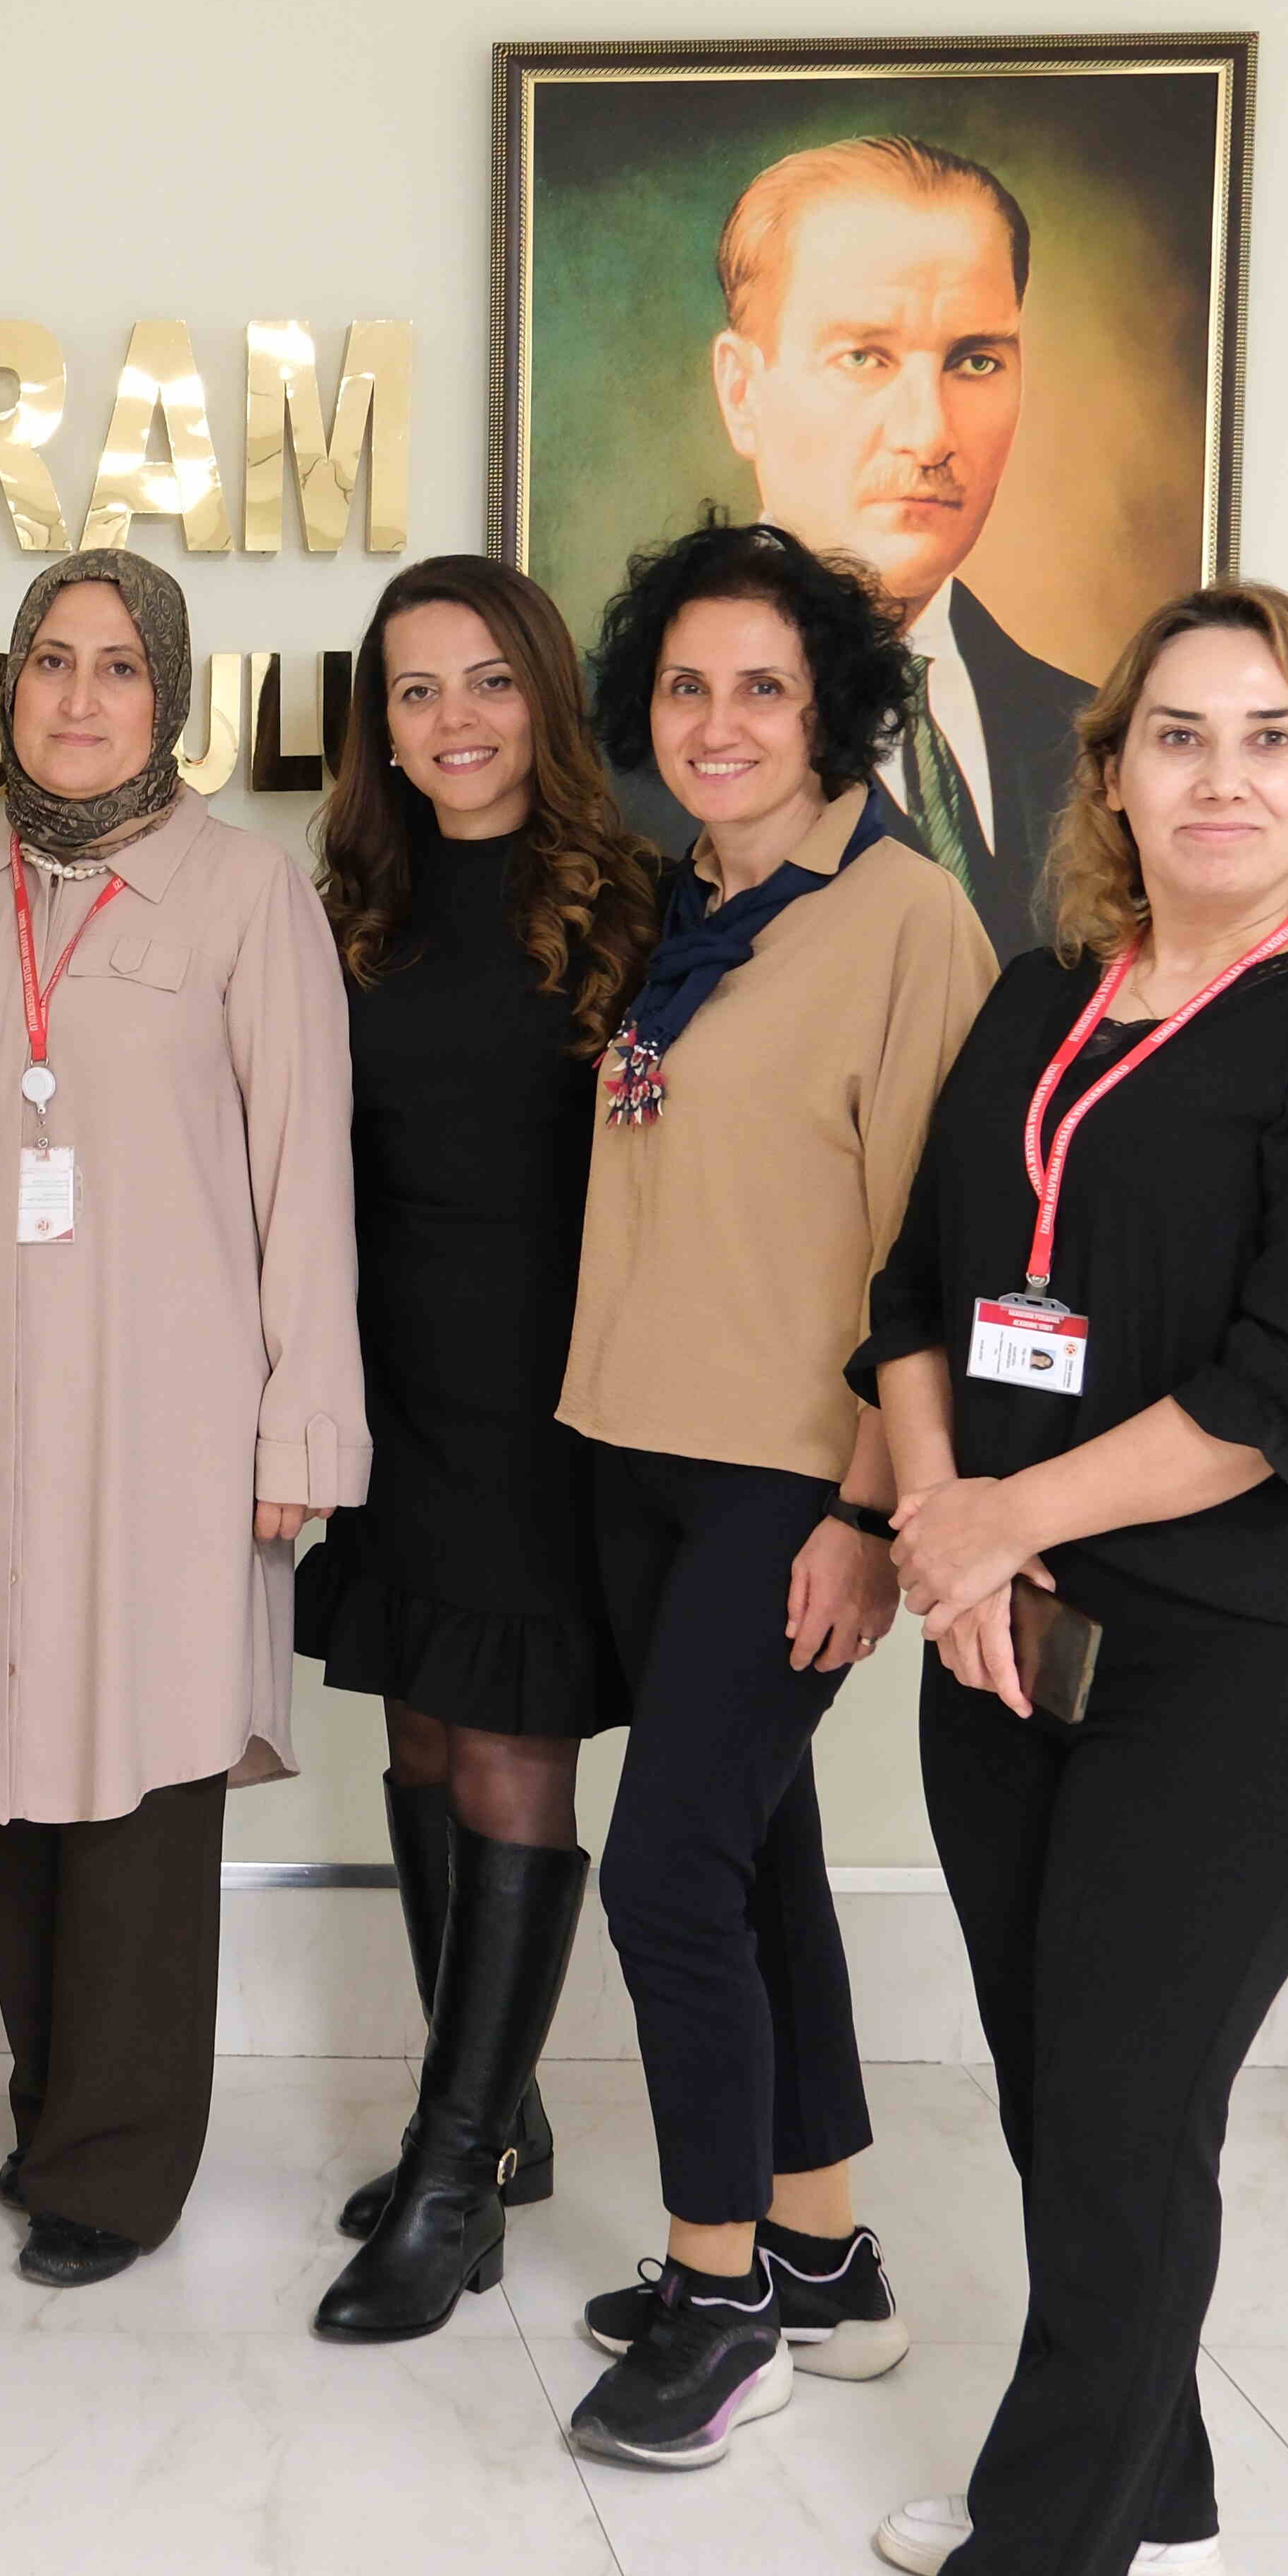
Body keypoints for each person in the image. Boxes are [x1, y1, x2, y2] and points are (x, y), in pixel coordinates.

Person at [808, 579, 1288, 2576]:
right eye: (1177, 735)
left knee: (1118, 2101)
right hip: (1006, 1640)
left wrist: (999, 1521)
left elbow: (1286, 1392)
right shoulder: (1035, 1007)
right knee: (1052, 2085)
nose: (1221, 776)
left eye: (1271, 738)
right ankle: (1148, 2487)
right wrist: (946, 1534)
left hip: (1240, 1665)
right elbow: (914, 1295)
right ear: (1112, 777)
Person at [551, 524, 994, 2451]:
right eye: (685, 686)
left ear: (832, 709)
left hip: (786, 1482)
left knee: (664, 1872)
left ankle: (717, 2300)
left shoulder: (905, 919)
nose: (716, 722)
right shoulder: (685, 906)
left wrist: (869, 1512)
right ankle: (821, 2255)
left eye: (761, 687)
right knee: (752, 1855)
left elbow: (939, 1251)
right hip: (638, 1455)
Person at [0, 545, 363, 2290]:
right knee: (8, 1754)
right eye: (50, 661)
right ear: (6, 686)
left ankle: (119, 2167)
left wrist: (303, 1433)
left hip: (172, 1426)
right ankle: (50, 2110)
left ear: (169, 698)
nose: (79, 697)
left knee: (146, 1772)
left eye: (118, 667)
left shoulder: (247, 896)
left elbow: (307, 1178)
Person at [291, 556, 652, 2339]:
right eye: (417, 689)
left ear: (545, 698)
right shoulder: (349, 903)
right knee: (424, 1733)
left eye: (489, 681)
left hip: (551, 1402)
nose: (454, 720)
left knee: (510, 1748)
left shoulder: (634, 903)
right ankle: (497, 2115)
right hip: (393, 1389)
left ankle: (451, 2182)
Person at [629, 135, 1094, 960]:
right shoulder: (604, 773)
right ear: (742, 391)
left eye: (975, 361)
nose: (929, 433)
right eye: (863, 357)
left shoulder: (1093, 736)